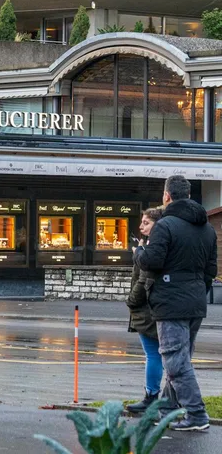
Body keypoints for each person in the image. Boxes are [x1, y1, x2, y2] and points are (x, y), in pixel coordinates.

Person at [136, 175, 218, 431]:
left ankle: (196, 414)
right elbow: (211, 270)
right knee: (181, 359)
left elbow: (152, 261)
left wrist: (139, 253)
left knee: (175, 361)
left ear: (167, 196)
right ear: (189, 196)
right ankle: (167, 408)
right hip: (195, 301)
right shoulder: (207, 228)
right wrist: (198, 289)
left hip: (170, 301)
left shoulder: (165, 225)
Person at [125, 207, 163, 414]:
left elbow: (144, 279)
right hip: (155, 305)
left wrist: (132, 300)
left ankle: (151, 395)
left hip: (147, 307)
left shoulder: (152, 248)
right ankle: (163, 397)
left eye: (146, 223)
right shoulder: (152, 245)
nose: (141, 227)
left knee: (153, 354)